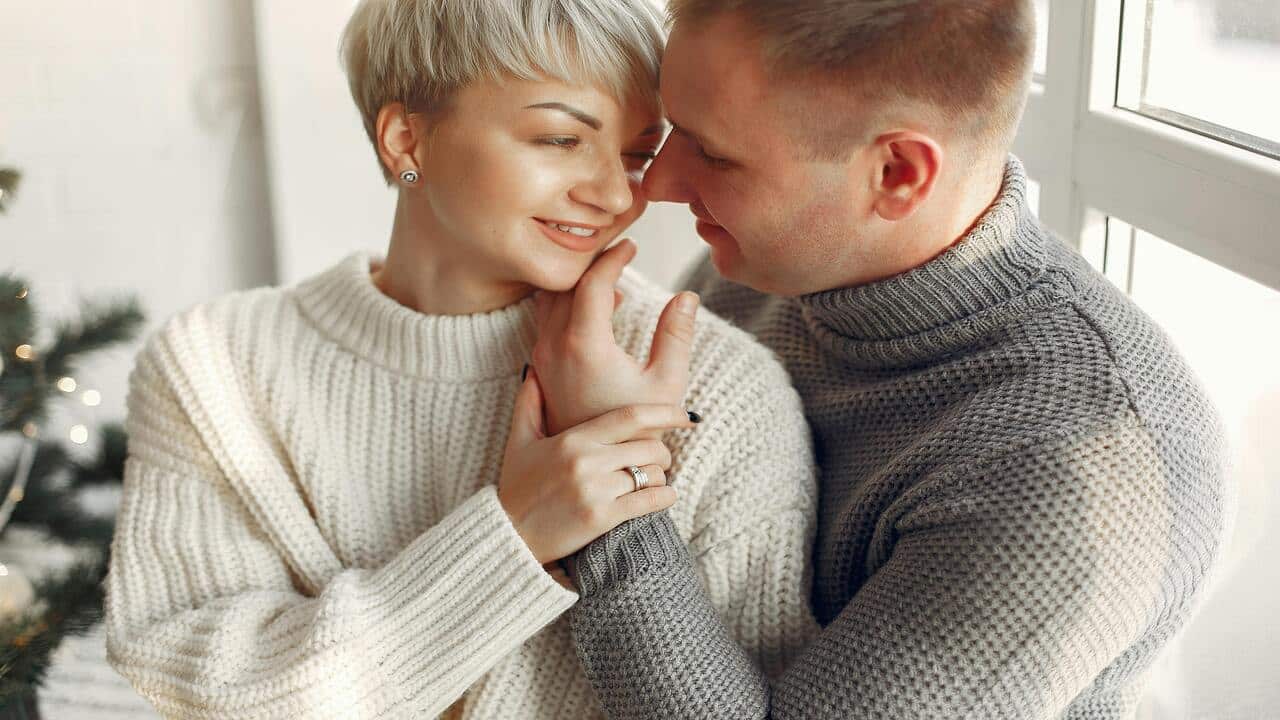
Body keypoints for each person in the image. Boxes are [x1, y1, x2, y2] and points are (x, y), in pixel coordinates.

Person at [102, 1, 819, 717]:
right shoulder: (214, 367)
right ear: (406, 139)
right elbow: (201, 689)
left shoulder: (719, 389)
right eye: (561, 139)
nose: (612, 195)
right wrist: (514, 533)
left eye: (637, 156)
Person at [529, 1, 1234, 718]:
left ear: (897, 172)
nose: (657, 184)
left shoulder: (1078, 471)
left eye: (713, 153)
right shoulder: (764, 269)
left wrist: (609, 465)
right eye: (674, 128)